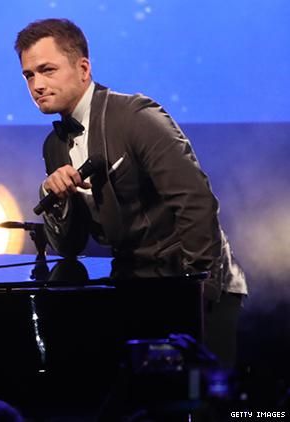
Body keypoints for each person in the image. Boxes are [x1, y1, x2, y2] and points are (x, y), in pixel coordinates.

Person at [14, 18, 246, 366]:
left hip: (196, 283)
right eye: (29, 75)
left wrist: (199, 289)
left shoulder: (136, 116)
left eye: (47, 70)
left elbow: (195, 201)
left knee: (202, 394)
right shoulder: (54, 146)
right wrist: (56, 199)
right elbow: (70, 247)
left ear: (83, 69)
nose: (37, 85)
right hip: (135, 286)